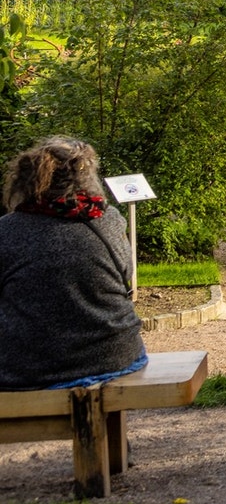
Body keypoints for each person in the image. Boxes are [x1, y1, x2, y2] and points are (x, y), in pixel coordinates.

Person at [0, 136, 148, 390]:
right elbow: (126, 271)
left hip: (26, 371)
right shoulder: (108, 220)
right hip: (115, 357)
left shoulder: (7, 231)